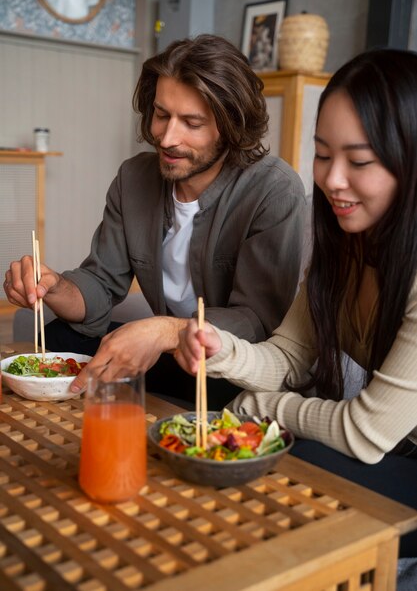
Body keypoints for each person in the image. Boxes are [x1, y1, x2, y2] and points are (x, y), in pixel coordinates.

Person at [176, 48, 417, 556]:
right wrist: (222, 351)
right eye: (323, 154)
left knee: (290, 463)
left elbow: (367, 432)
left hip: (394, 448)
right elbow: (288, 357)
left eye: (360, 161)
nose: (331, 180)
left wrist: (262, 409)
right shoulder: (346, 245)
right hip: (397, 447)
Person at [3, 34, 306, 409]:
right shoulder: (133, 179)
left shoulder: (273, 189)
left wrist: (162, 330)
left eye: (191, 122)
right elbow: (101, 284)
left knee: (238, 391)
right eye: (162, 115)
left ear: (230, 126)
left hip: (231, 369)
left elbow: (258, 321)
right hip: (168, 352)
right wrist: (54, 286)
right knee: (61, 337)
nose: (166, 137)